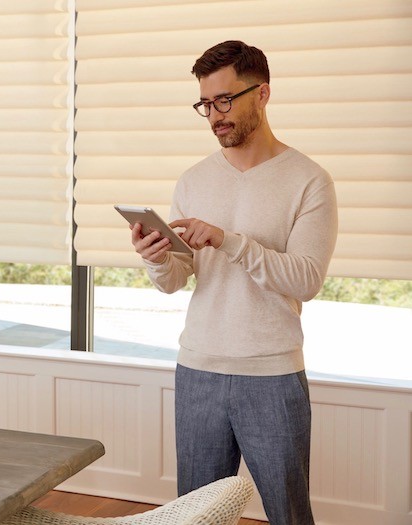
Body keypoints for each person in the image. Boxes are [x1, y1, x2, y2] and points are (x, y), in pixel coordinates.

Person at [129, 40, 338, 524]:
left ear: (262, 94)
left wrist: (229, 241)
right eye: (205, 103)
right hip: (198, 369)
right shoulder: (193, 179)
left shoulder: (309, 180)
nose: (214, 115)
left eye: (225, 100)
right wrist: (156, 259)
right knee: (195, 515)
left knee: (288, 513)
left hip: (271, 375)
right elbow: (174, 281)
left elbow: (306, 279)